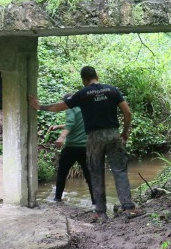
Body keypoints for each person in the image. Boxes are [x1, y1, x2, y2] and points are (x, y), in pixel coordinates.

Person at [29, 66, 142, 223]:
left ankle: (101, 213)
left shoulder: (82, 94)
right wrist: (125, 132)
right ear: (97, 76)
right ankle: (129, 208)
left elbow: (59, 107)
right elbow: (127, 113)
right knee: (119, 171)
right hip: (113, 134)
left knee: (96, 173)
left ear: (83, 80)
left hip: (94, 138)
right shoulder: (112, 90)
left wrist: (38, 106)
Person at [48, 94, 95, 204]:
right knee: (90, 177)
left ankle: (57, 199)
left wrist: (61, 137)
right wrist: (58, 126)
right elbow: (76, 123)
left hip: (71, 148)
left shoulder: (70, 108)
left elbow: (71, 122)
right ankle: (95, 203)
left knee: (62, 174)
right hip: (86, 149)